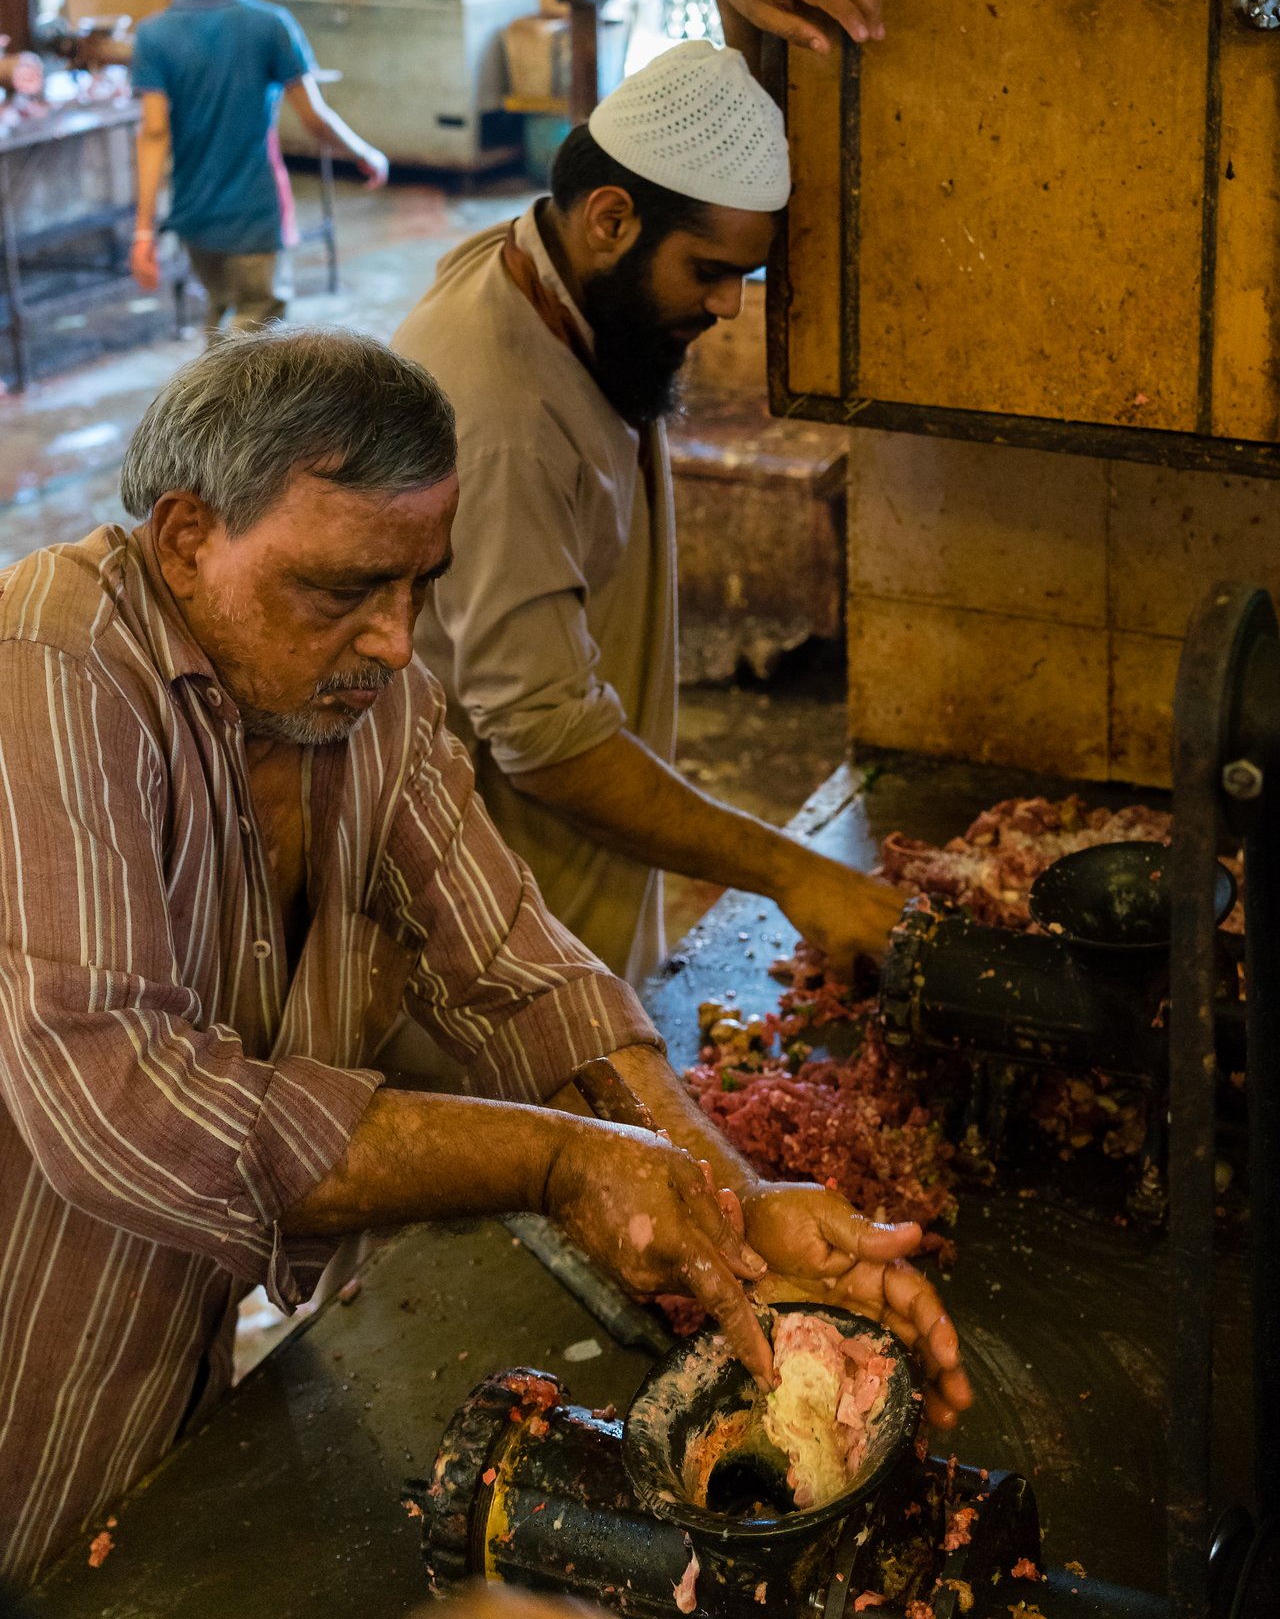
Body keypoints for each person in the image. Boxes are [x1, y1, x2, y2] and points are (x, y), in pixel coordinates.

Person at [0, 332, 970, 1588]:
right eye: (341, 590)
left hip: (164, 1318)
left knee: (135, 1550)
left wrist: (723, 1200)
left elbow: (522, 972)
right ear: (187, 536)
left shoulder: (364, 698)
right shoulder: (55, 666)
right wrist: (559, 1160)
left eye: (418, 587)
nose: (396, 643)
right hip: (34, 1290)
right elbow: (121, 1104)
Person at [393, 0, 891, 983]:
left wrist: (737, 22)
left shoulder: (561, 270)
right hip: (508, 932)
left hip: (580, 885)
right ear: (610, 220)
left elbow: (708, 158)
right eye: (710, 273)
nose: (726, 306)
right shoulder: (497, 412)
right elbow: (546, 740)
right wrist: (793, 873)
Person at [128, 0, 388, 338]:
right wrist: (366, 153)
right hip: (255, 214)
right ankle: (217, 409)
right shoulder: (270, 25)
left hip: (195, 214)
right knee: (255, 335)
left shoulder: (154, 35)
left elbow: (153, 133)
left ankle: (204, 405)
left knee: (221, 316)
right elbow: (315, 118)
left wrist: (143, 231)